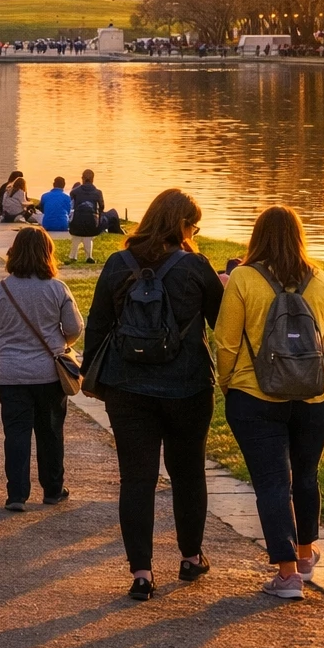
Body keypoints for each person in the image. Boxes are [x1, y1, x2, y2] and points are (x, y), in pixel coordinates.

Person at [82, 189, 224, 601]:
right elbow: (221, 322)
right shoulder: (196, 266)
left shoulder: (117, 263)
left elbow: (98, 324)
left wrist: (96, 377)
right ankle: (190, 557)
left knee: (137, 480)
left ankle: (142, 572)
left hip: (127, 388)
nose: (194, 233)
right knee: (188, 473)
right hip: (188, 388)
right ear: (181, 225)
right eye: (193, 226)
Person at [215, 206, 324, 599]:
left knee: (273, 483)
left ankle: (287, 576)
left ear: (257, 237)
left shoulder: (243, 278)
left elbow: (226, 342)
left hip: (255, 397)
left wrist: (228, 384)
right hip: (314, 397)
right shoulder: (321, 279)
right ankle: (305, 555)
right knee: (306, 476)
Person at [0, 226, 82, 510]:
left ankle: (17, 495)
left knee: (16, 434)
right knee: (50, 432)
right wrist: (61, 342)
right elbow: (74, 328)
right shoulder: (57, 289)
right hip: (48, 373)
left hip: (10, 374)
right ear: (48, 253)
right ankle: (52, 488)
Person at [68, 169, 105, 263]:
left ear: (82, 179)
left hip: (76, 224)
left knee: (77, 233)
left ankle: (73, 256)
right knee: (87, 234)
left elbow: (70, 208)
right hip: (92, 225)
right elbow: (102, 208)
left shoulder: (74, 192)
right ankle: (89, 256)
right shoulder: (98, 193)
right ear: (93, 179)